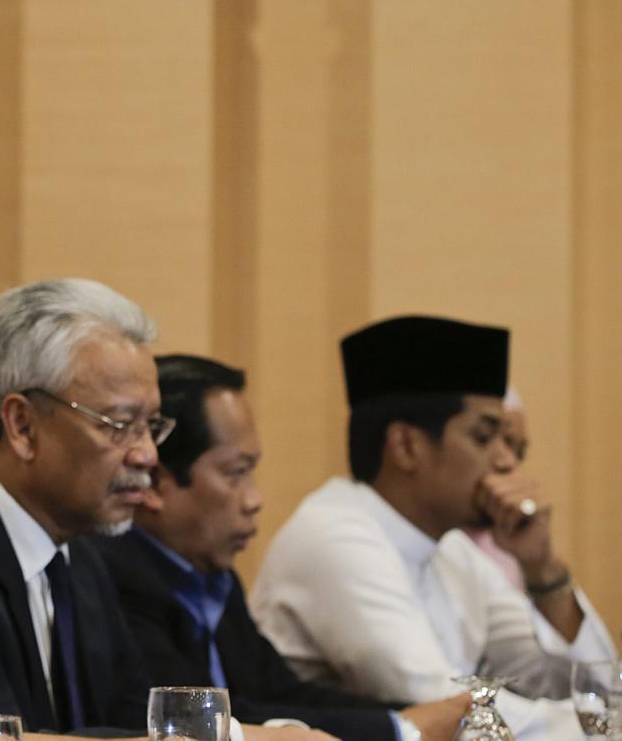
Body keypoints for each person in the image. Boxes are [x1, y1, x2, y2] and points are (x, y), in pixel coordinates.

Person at [0, 278, 334, 741]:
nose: (146, 454)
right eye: (120, 425)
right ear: (22, 425)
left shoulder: (80, 553)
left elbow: (133, 721)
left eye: (152, 426)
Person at [251, 315, 616, 740]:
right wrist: (598, 726)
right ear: (406, 446)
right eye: (484, 438)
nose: (506, 462)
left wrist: (543, 570)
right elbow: (446, 710)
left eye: (509, 444)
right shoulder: (334, 535)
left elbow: (585, 687)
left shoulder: (452, 549)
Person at [93, 354, 467, 741]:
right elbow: (194, 718)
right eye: (235, 473)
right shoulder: (114, 575)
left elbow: (279, 692)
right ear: (155, 483)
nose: (255, 499)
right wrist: (401, 729)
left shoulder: (211, 575)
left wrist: (405, 719)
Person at [464, 387, 528, 591]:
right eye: (484, 439)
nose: (510, 463)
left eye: (520, 453)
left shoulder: (510, 541)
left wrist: (542, 568)